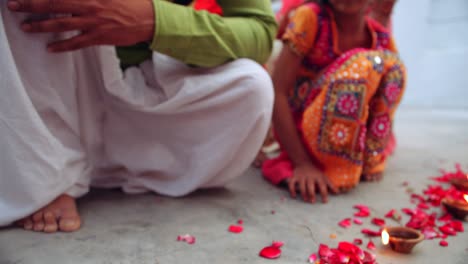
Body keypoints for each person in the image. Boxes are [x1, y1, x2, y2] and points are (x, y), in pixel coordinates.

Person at [0, 0, 277, 233]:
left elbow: (259, 31)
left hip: (137, 87)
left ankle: (104, 165)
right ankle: (45, 171)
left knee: (252, 88)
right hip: (49, 83)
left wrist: (153, 22)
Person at [262, 0, 406, 203]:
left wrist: (373, 152)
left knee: (393, 69)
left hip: (346, 137)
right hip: (302, 132)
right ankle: (329, 164)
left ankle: (353, 161)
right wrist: (302, 163)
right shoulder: (310, 18)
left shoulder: (380, 38)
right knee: (364, 65)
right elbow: (278, 92)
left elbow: (386, 99)